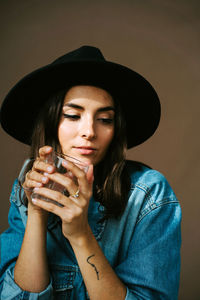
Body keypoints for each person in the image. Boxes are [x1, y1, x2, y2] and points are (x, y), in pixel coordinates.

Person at [0, 45, 181, 300]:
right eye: (73, 115)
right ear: (52, 123)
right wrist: (37, 213)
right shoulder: (27, 184)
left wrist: (80, 233)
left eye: (105, 120)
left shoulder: (149, 194)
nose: (89, 132)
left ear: (116, 130)